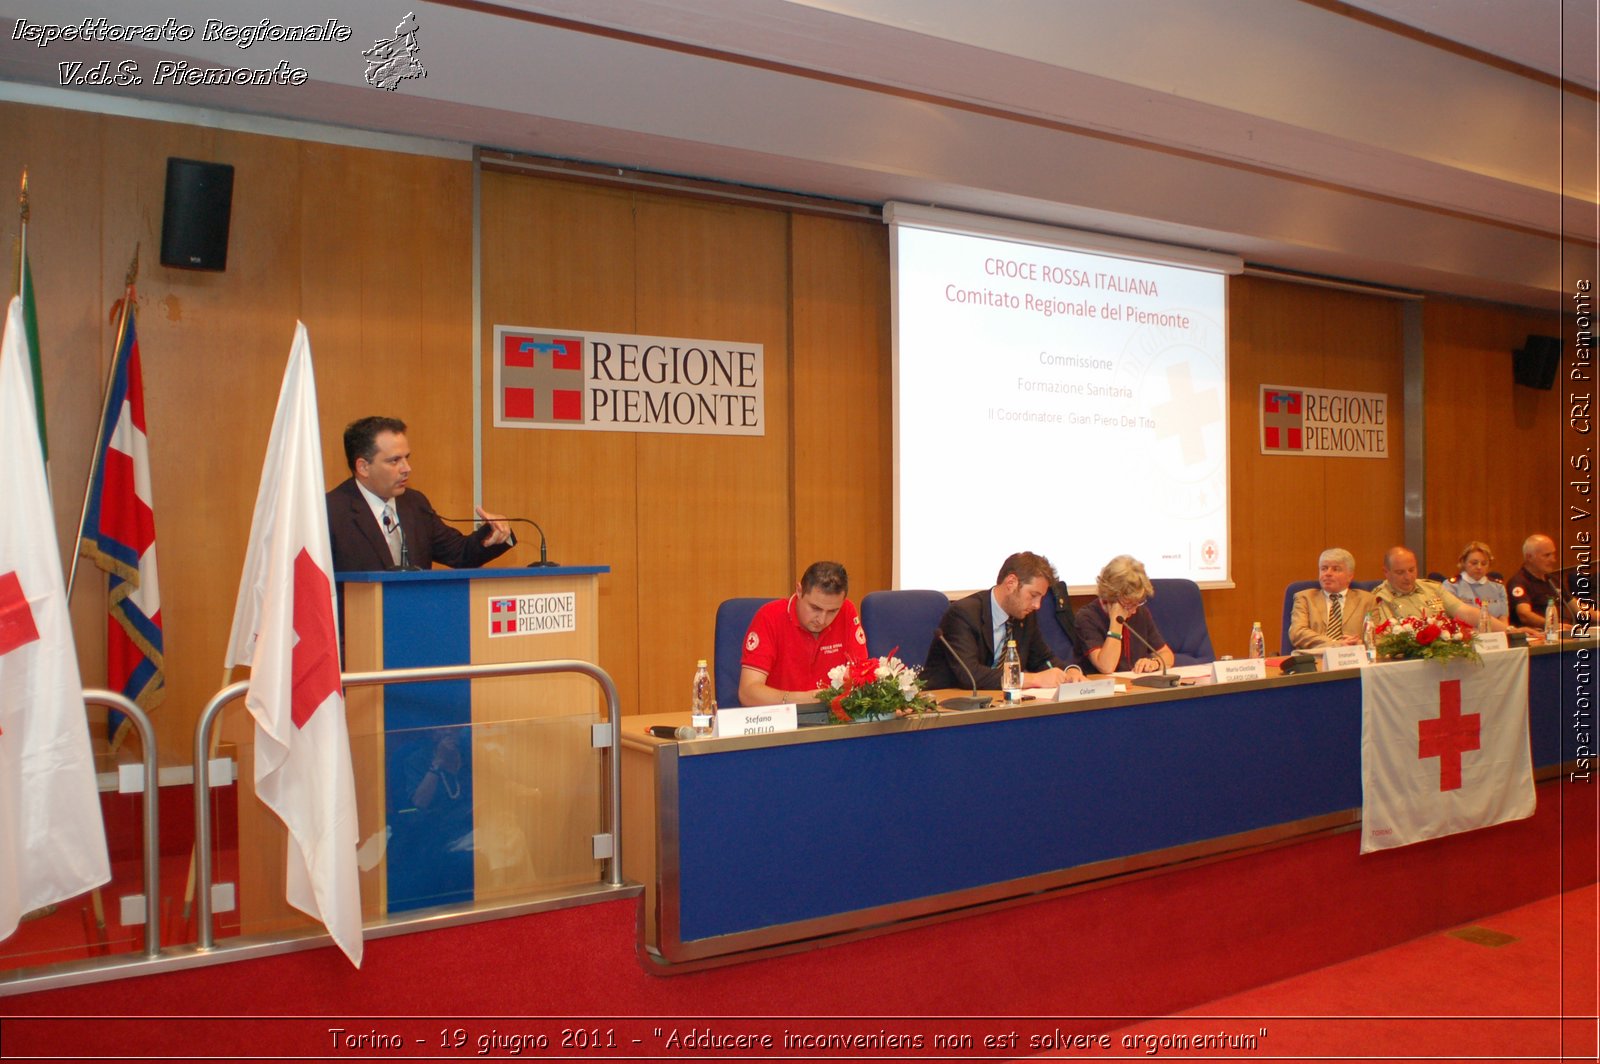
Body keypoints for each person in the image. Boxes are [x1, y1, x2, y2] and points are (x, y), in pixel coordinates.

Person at [326, 416, 515, 572]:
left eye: (406, 458)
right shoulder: (331, 513)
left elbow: (460, 554)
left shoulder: (415, 504)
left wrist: (495, 531)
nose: (406, 468)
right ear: (363, 467)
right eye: (394, 461)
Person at [920, 552, 1083, 690]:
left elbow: (1042, 659)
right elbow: (970, 674)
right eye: (1033, 596)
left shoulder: (1025, 616)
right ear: (1011, 583)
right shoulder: (963, 614)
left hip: (996, 705)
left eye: (1041, 598)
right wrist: (1034, 680)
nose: (1037, 605)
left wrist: (1071, 671)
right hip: (948, 708)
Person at [739, 561, 868, 705]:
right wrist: (806, 699)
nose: (822, 619)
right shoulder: (769, 617)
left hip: (833, 720)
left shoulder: (847, 611)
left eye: (832, 611)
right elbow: (748, 693)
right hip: (781, 720)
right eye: (815, 608)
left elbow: (861, 677)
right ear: (799, 591)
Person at [1372, 546, 1513, 632]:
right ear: (1386, 572)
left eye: (1411, 570)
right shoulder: (1380, 598)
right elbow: (1389, 638)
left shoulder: (1432, 588)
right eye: (1400, 572)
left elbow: (1467, 613)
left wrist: (1509, 631)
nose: (1408, 577)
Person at [1076, 555, 1175, 674]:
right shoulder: (1087, 617)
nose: (1133, 611)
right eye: (1128, 604)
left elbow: (1167, 655)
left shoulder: (1140, 612)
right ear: (1110, 596)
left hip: (1138, 688)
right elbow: (1107, 667)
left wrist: (1155, 662)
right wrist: (1116, 622)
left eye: (1137, 603)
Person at [1289, 547, 1376, 649]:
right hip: (1316, 659)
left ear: (1350, 576)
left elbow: (1377, 637)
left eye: (1336, 569)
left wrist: (1362, 644)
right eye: (1324, 568)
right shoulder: (1305, 598)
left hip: (1353, 658)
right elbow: (1297, 633)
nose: (1328, 573)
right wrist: (1335, 643)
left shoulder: (1367, 600)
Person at [1505, 533, 1579, 629]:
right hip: (1542, 634)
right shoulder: (1519, 582)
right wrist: (1553, 626)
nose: (1553, 560)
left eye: (1553, 554)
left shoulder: (1552, 580)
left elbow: (1576, 607)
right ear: (1529, 557)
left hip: (1567, 631)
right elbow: (1524, 615)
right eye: (1547, 555)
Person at [1440, 540, 1510, 622]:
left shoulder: (1498, 587)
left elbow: (1503, 619)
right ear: (1463, 562)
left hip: (1494, 632)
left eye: (1484, 563)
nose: (1479, 567)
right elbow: (1449, 618)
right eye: (1474, 563)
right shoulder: (1451, 586)